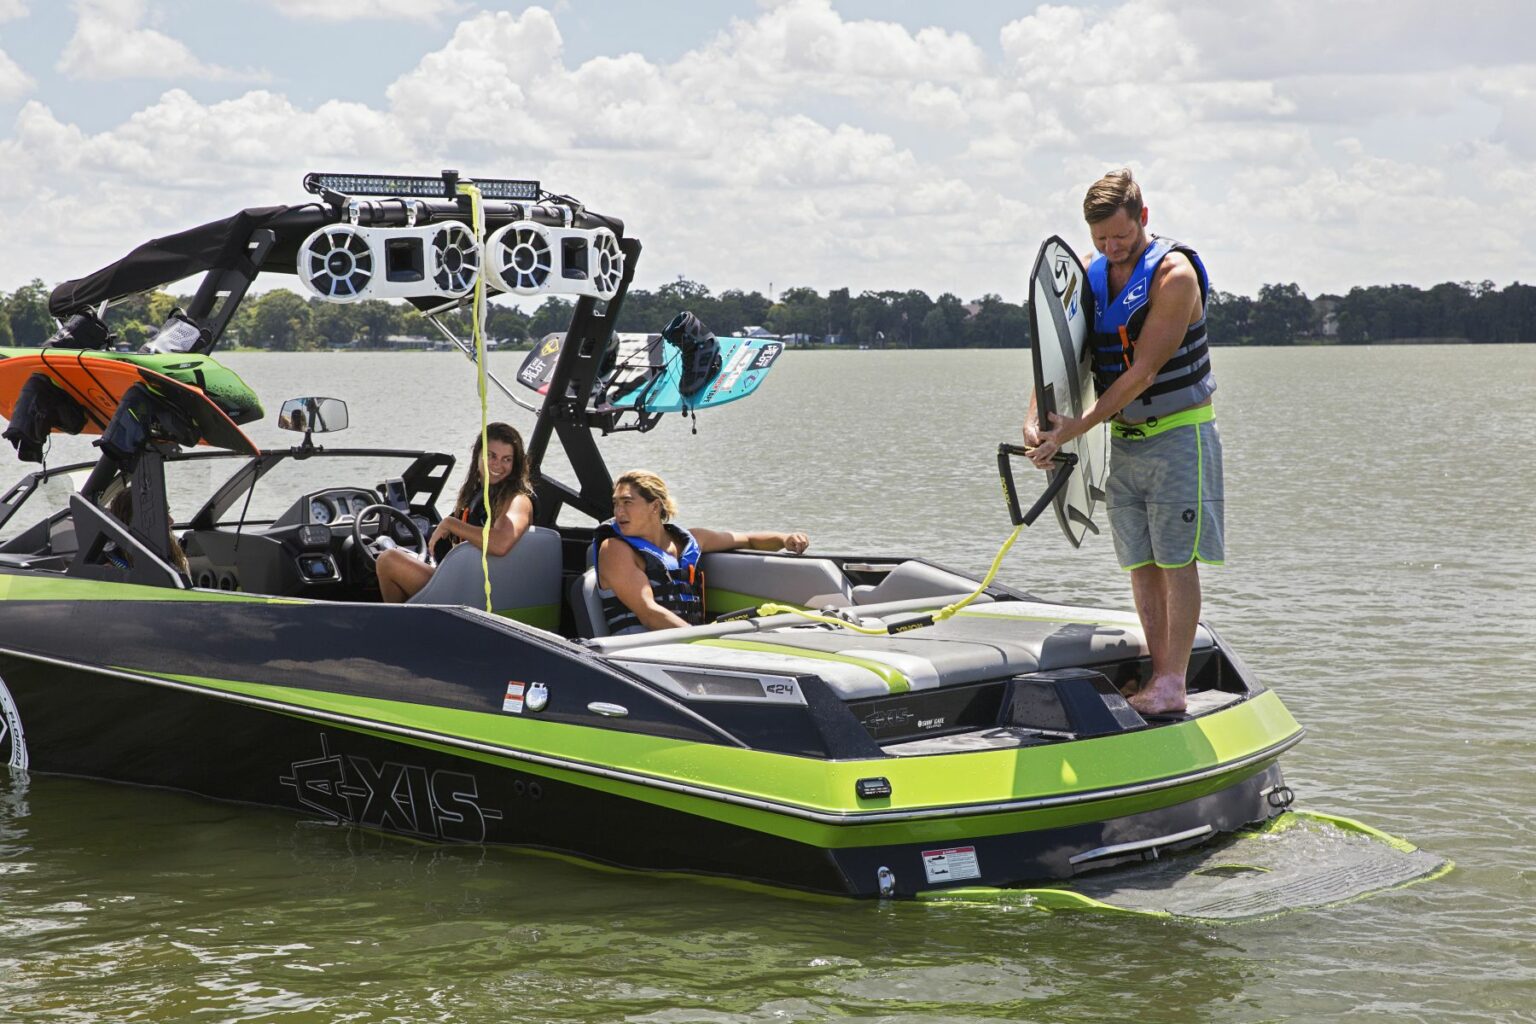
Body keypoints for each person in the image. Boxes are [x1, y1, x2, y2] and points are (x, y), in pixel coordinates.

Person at [1024, 168, 1222, 715]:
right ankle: (1160, 675)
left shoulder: (1175, 277)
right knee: (1140, 562)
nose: (1112, 248)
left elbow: (1142, 372)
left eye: (1122, 236)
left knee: (1177, 559)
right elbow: (1068, 360)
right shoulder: (1091, 275)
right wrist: (1039, 419)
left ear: (1144, 219)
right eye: (1101, 240)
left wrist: (1077, 428)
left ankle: (1172, 681)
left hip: (1179, 436)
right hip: (1125, 441)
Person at [594, 469, 809, 634]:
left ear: (655, 506)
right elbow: (649, 613)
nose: (618, 511)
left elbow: (749, 540)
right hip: (636, 655)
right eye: (616, 503)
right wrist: (702, 641)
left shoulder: (692, 540)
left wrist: (784, 539)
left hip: (685, 645)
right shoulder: (614, 550)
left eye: (627, 502)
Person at [377, 422, 534, 603]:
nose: (498, 465)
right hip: (464, 583)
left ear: (515, 464)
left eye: (507, 459)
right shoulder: (475, 497)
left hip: (477, 596)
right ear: (478, 456)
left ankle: (398, 629)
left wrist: (452, 524)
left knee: (387, 560)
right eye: (491, 456)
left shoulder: (518, 500)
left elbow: (500, 543)